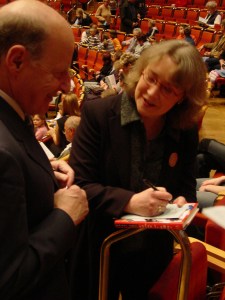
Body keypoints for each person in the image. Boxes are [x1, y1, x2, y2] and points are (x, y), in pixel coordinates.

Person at [68, 40, 208, 300]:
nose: (152, 93)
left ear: (182, 98)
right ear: (140, 71)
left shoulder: (185, 129)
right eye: (151, 78)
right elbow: (80, 187)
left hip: (153, 253)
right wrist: (131, 201)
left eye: (167, 89)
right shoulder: (98, 113)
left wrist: (181, 204)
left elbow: (187, 190)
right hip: (99, 249)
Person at [0, 1, 89, 300]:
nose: (67, 86)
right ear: (16, 61)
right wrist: (65, 215)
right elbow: (9, 280)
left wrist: (40, 170)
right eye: (60, 72)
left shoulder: (13, 115)